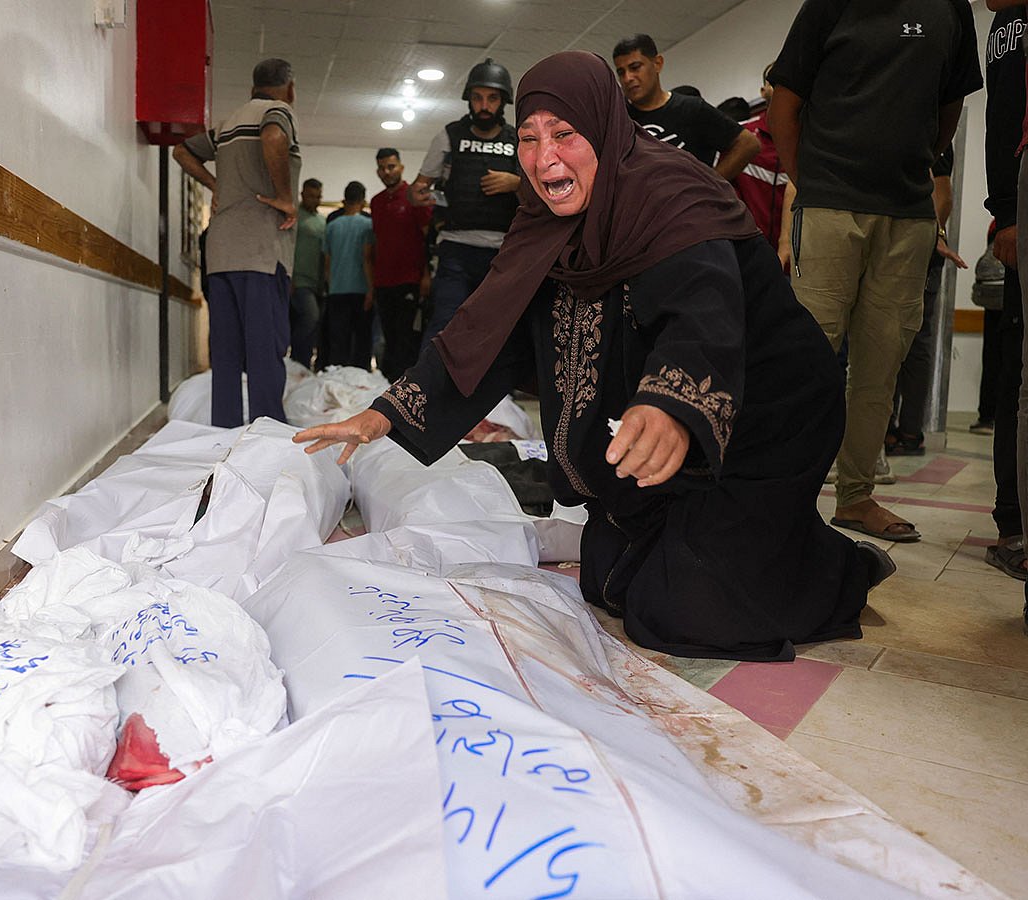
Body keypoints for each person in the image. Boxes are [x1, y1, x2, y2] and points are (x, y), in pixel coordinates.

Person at [294, 51, 893, 663]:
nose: (544, 157)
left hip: (763, 419)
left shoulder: (670, 192)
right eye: (528, 138)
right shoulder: (542, 218)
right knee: (606, 580)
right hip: (677, 431)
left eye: (565, 134)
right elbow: (488, 330)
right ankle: (749, 541)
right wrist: (385, 414)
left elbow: (703, 309)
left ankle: (836, 568)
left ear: (604, 127)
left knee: (684, 612)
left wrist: (671, 406)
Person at [768, 1, 983, 544]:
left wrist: (916, 166)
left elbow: (949, 102)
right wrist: (812, 185)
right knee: (808, 358)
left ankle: (857, 496)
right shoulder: (830, 3)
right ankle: (781, 495)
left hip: (908, 212)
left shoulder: (952, 7)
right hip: (831, 204)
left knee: (881, 363)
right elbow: (786, 103)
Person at [174, 58, 301, 427]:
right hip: (260, 254)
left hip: (221, 254)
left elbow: (181, 151)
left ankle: (225, 435)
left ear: (252, 87)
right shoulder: (280, 111)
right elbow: (274, 136)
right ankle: (267, 436)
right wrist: (283, 196)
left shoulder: (228, 123)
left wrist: (217, 185)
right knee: (264, 351)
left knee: (226, 354)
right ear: (290, 88)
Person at [408, 58, 521, 344]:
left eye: (492, 98)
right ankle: (427, 389)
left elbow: (541, 195)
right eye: (477, 97)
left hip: (501, 251)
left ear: (503, 101)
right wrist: (418, 194)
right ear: (468, 99)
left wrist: (515, 183)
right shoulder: (449, 136)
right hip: (455, 248)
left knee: (495, 330)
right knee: (444, 325)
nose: (484, 105)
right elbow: (419, 186)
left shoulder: (518, 140)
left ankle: (490, 390)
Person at [984, 1, 1027, 580]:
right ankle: (1013, 520)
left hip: (1018, 203)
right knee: (1017, 371)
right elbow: (1004, 120)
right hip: (1018, 202)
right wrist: (1006, 212)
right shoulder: (1005, 24)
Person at [886, 151, 967, 457]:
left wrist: (933, 236)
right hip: (900, 249)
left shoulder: (934, 138)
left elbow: (943, 197)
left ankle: (905, 430)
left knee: (910, 343)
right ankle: (892, 429)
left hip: (917, 253)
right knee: (893, 341)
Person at [612, 34, 760, 179]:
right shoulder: (621, 122)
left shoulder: (691, 108)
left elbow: (748, 144)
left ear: (657, 63)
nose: (628, 78)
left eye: (635, 67)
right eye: (621, 72)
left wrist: (712, 186)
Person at [371, 148, 434, 381]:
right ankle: (387, 392)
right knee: (388, 337)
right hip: (383, 281)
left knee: (406, 339)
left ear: (401, 167)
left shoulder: (414, 197)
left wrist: (426, 276)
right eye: (382, 167)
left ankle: (405, 392)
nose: (386, 172)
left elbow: (429, 238)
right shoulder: (376, 202)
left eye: (391, 166)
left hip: (410, 280)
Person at [732, 63, 789, 257]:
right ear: (763, 91)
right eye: (774, 81)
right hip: (756, 257)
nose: (782, 85)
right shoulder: (743, 138)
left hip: (806, 256)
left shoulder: (814, 135)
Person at [322, 181, 375, 369]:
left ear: (344, 200)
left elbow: (327, 263)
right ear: (363, 200)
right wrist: (371, 289)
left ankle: (336, 378)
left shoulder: (332, 226)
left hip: (337, 289)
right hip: (361, 289)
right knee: (361, 340)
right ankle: (360, 383)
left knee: (338, 340)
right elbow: (367, 258)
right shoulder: (369, 225)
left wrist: (330, 285)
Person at [291, 178, 325, 369]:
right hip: (299, 281)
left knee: (314, 323)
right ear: (303, 194)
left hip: (317, 283)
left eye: (318, 196)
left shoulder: (322, 222)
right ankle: (298, 361)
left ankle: (304, 364)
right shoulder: (295, 216)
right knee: (310, 317)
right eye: (311, 196)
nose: (315, 200)